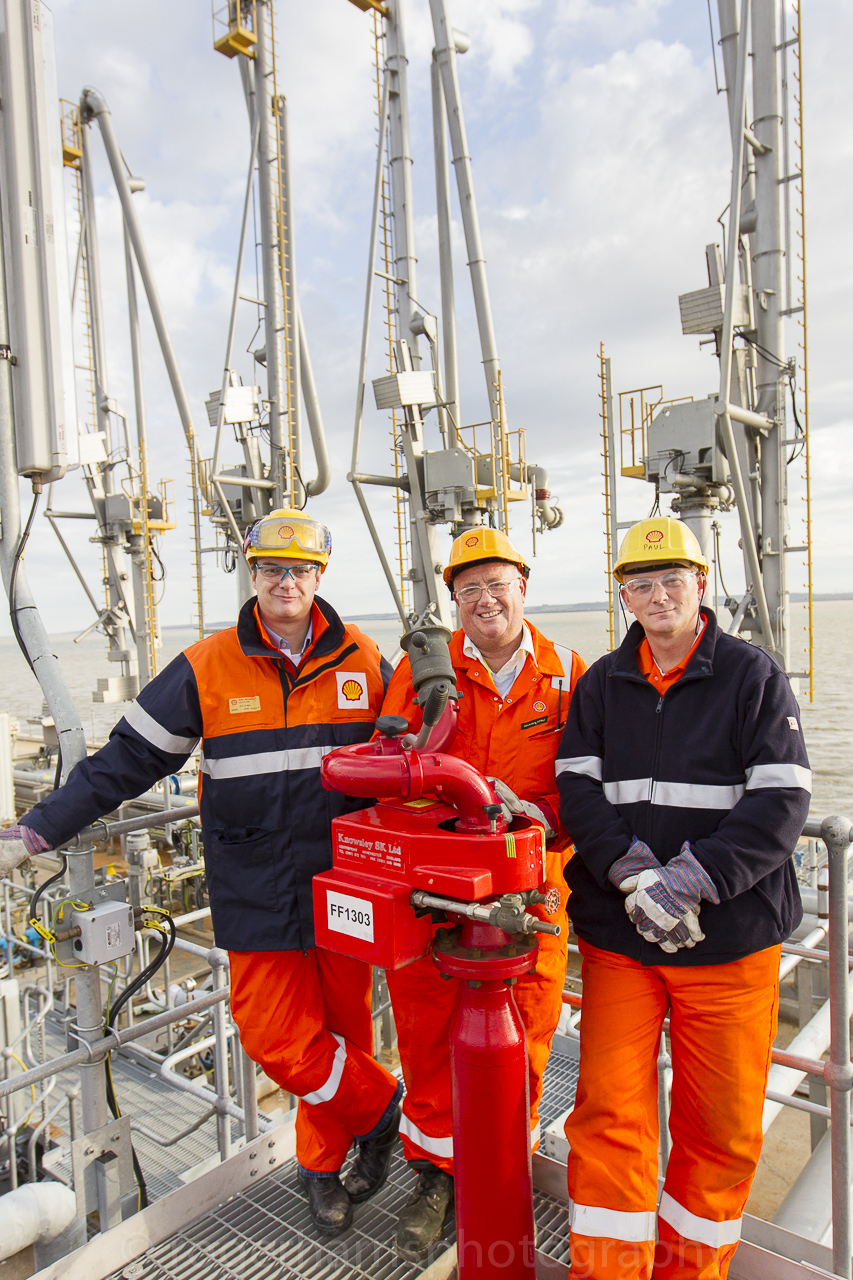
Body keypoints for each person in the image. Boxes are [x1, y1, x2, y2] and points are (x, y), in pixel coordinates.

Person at [0, 509, 403, 1238]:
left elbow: (415, 744)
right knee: (276, 1037)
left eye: (300, 570)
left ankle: (322, 1167)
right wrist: (37, 830)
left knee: (343, 1032)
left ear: (319, 576)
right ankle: (382, 1113)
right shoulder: (208, 665)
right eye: (272, 569)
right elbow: (126, 760)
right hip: (257, 886)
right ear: (253, 574)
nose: (285, 582)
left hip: (344, 883)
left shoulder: (363, 658)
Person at [555, 517, 811, 1280]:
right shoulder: (602, 683)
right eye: (641, 584)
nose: (658, 595)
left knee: (719, 1129)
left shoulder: (751, 676)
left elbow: (781, 800)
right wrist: (633, 874)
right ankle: (608, 1271)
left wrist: (689, 881)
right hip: (621, 941)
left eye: (672, 579)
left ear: (700, 584)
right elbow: (576, 790)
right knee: (608, 1113)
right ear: (624, 597)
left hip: (728, 942)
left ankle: (689, 1272)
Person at [379, 526, 585, 1259]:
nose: (485, 599)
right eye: (469, 589)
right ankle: (435, 1175)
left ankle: (502, 1167)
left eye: (497, 584)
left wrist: (538, 818)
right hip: (436, 891)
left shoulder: (567, 673)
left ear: (522, 587)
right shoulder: (422, 674)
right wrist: (449, 818)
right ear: (453, 600)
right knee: (426, 1028)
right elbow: (389, 773)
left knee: (526, 1029)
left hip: (533, 891)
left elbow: (591, 781)